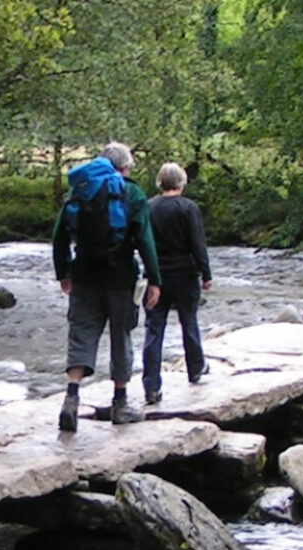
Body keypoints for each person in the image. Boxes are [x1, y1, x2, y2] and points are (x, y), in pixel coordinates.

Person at [51, 142, 162, 432]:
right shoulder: (131, 193)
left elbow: (59, 237)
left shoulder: (78, 192)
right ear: (123, 167)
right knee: (121, 336)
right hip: (121, 277)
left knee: (81, 334)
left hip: (84, 275)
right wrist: (155, 279)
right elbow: (145, 240)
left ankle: (71, 400)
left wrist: (64, 272)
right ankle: (120, 403)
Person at [140, 163, 212, 407]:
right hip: (185, 274)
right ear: (182, 182)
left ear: (160, 182)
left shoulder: (148, 207)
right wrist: (206, 273)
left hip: (155, 276)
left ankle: (151, 387)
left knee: (154, 329)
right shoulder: (189, 208)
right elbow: (197, 243)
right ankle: (195, 369)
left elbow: (140, 241)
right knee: (189, 321)